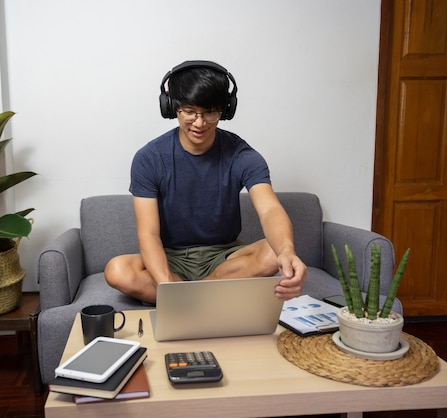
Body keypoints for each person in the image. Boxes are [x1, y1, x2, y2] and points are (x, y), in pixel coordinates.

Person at [105, 60, 307, 303]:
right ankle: (206, 298)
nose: (199, 123)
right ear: (171, 107)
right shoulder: (149, 158)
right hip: (170, 258)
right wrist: (167, 284)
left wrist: (287, 251)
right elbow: (148, 234)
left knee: (273, 254)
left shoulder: (243, 156)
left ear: (225, 109)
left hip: (224, 257)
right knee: (117, 270)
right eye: (189, 111)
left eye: (210, 112)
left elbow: (270, 210)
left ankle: (191, 301)